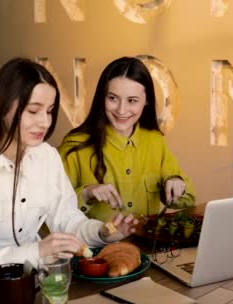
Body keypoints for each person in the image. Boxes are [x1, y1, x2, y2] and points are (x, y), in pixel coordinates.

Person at [0, 57, 137, 288]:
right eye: (33, 111)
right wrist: (36, 251)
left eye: (50, 111)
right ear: (3, 107)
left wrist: (101, 232)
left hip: (32, 286)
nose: (45, 122)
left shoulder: (47, 157)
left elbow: (66, 219)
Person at [59, 57, 196, 222]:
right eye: (113, 98)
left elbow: (189, 198)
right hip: (95, 247)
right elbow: (51, 213)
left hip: (145, 246)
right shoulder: (75, 145)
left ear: (146, 102)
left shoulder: (155, 140)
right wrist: (86, 193)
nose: (121, 110)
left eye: (132, 101)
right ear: (102, 98)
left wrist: (177, 183)